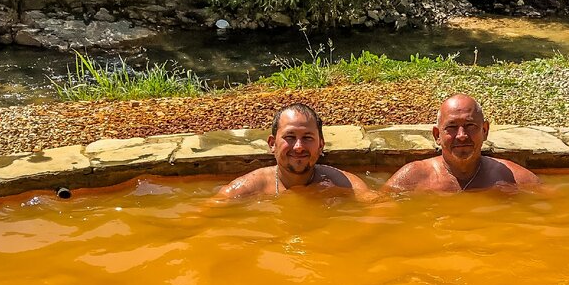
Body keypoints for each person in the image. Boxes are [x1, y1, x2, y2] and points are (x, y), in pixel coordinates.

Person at [213, 103, 374, 200]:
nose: (298, 147)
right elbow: (203, 216)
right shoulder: (246, 189)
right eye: (290, 137)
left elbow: (382, 208)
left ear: (321, 145)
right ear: (272, 144)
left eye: (308, 138)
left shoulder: (344, 184)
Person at [384, 93, 540, 193]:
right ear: (437, 135)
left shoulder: (511, 177)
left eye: (470, 126)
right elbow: (378, 206)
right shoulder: (414, 177)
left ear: (485, 130)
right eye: (451, 127)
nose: (462, 135)